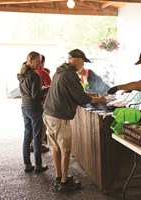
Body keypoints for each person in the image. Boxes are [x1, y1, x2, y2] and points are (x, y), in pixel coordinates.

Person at [43, 49, 106, 192]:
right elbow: (82, 99)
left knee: (56, 147)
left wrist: (91, 94)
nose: (83, 65)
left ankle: (59, 177)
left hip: (49, 114)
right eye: (83, 61)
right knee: (66, 150)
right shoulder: (71, 75)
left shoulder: (60, 71)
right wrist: (100, 99)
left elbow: (73, 92)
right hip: (60, 117)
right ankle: (65, 183)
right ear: (76, 59)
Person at [17, 51, 48, 173]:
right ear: (29, 61)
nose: (39, 64)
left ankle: (27, 164)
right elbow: (36, 95)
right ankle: (38, 165)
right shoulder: (34, 76)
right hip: (34, 107)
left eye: (40, 61)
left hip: (24, 107)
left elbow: (29, 92)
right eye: (37, 61)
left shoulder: (22, 75)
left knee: (27, 135)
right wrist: (46, 89)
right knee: (37, 137)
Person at [32, 55, 51, 153]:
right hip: (42, 102)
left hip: (29, 104)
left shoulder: (30, 73)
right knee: (42, 125)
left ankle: (31, 144)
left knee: (32, 125)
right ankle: (38, 145)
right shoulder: (43, 73)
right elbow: (50, 89)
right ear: (42, 62)